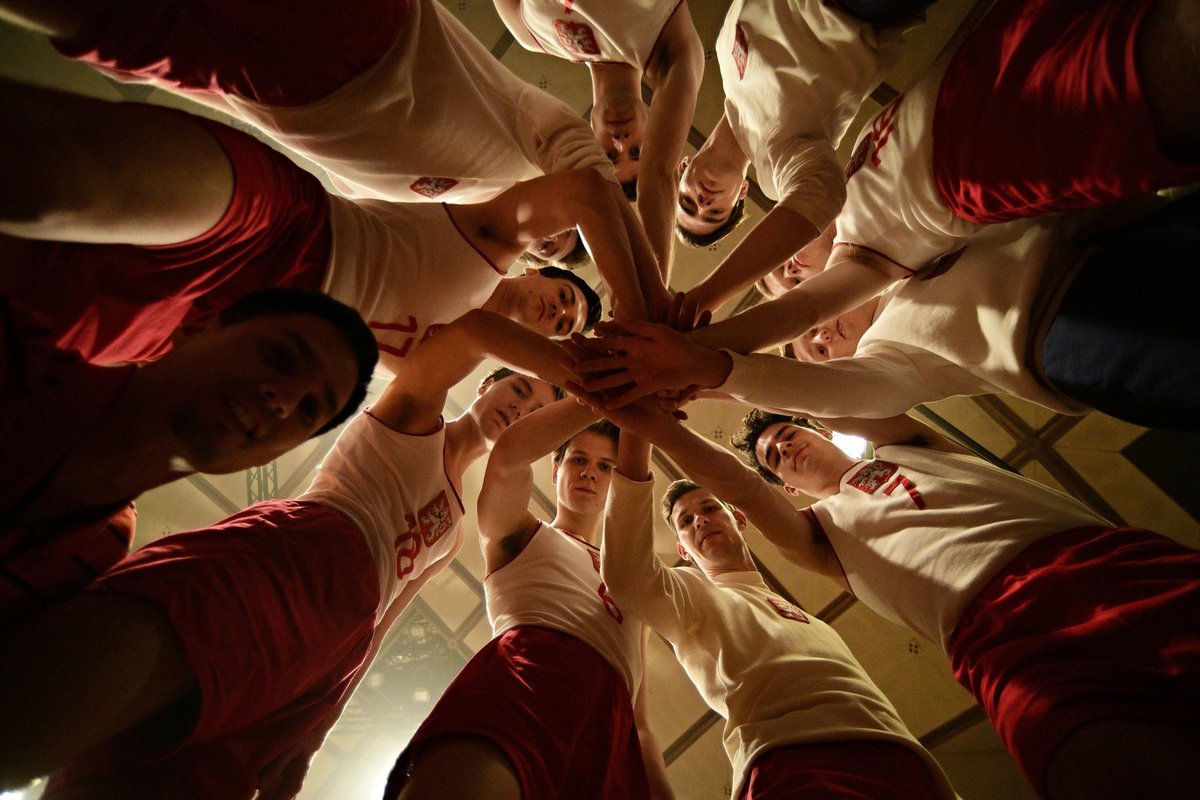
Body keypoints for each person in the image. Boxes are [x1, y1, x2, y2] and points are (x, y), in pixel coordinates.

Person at [0, 308, 570, 799]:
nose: (519, 408)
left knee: (195, 779)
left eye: (533, 412)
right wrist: (580, 375)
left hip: (334, 647)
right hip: (309, 551)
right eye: (520, 388)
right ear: (489, 382)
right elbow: (469, 330)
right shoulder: (415, 414)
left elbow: (382, 626)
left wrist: (316, 724)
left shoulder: (457, 532)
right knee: (140, 662)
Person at [0, 79, 666, 372]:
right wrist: (639, 313)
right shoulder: (490, 236)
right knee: (55, 176)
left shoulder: (453, 366)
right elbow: (582, 189)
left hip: (209, 332)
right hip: (278, 226)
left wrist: (599, 367)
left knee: (31, 302)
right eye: (568, 299)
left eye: (566, 326)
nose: (560, 313)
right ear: (542, 270)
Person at [726, 407, 1200, 800]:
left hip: (1095, 561)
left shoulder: (908, 446)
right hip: (999, 639)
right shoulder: (818, 534)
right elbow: (744, 490)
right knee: (1108, 768)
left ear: (824, 429)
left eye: (787, 434)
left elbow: (852, 399)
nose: (784, 448)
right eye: (774, 457)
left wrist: (732, 374)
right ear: (788, 488)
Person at [587, 402, 956, 799]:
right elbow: (627, 575)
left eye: (709, 508)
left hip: (899, 761)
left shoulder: (810, 621)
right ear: (683, 549)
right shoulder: (691, 594)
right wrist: (637, 430)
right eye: (686, 522)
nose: (701, 521)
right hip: (790, 766)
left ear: (739, 520)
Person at [0, 0, 620, 205]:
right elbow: (589, 186)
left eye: (556, 256)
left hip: (275, 99)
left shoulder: (462, 215)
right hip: (368, 44)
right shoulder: (540, 139)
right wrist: (643, 301)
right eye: (572, 238)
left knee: (117, 27)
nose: (554, 241)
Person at [0, 287, 376, 625]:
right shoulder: (14, 351)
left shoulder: (102, 551)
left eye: (309, 410)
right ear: (196, 329)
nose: (286, 401)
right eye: (280, 356)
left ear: (275, 455)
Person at [388, 403, 672, 799]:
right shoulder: (523, 533)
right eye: (579, 459)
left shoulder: (634, 587)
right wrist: (602, 400)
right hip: (527, 678)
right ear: (556, 471)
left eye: (607, 466)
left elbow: (641, 724)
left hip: (607, 729)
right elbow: (506, 461)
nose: (591, 471)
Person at [834, 0, 1200, 275]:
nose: (791, 269)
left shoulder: (845, 173)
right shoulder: (868, 265)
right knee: (1128, 73)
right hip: (968, 161)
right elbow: (808, 310)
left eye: (782, 266)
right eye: (816, 350)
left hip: (977, 63)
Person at [673, 0, 912, 316]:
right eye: (715, 212)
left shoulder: (723, 55)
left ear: (683, 166)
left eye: (688, 202)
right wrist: (703, 299)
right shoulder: (775, 167)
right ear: (741, 192)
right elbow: (821, 192)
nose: (703, 203)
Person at [494, 0, 704, 275]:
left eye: (610, 155)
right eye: (637, 150)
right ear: (657, 123)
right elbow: (658, 173)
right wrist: (654, 297)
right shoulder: (667, 46)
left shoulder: (532, 36)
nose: (620, 140)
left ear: (590, 143)